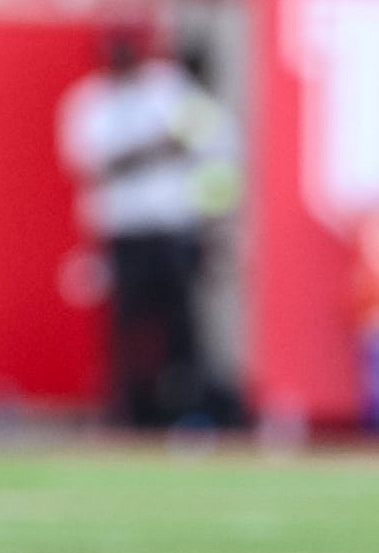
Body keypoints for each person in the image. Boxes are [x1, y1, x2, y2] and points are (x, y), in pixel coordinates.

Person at [57, 27, 242, 430]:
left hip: (172, 228)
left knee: (182, 325)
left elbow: (205, 141)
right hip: (123, 232)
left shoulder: (166, 88)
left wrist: (213, 225)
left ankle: (186, 408)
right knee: (126, 326)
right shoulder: (90, 101)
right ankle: (127, 410)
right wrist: (155, 148)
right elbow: (93, 163)